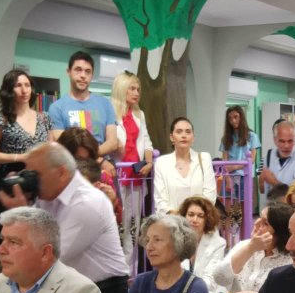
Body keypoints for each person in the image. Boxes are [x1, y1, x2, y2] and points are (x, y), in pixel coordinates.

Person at [0, 143, 129, 293]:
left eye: (35, 175)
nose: (31, 181)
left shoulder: (87, 203)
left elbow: (49, 257)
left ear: (60, 172)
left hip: (104, 291)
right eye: (27, 174)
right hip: (70, 286)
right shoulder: (48, 196)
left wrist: (21, 214)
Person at [0, 69, 52, 243]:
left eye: (27, 85)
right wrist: (19, 157)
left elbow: (51, 147)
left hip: (39, 176)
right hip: (11, 177)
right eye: (18, 85)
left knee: (38, 232)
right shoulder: (0, 119)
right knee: (11, 231)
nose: (24, 90)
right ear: (9, 90)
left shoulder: (44, 118)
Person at [210, 203, 294, 293]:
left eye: (265, 223)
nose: (256, 223)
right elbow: (219, 278)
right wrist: (250, 248)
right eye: (259, 217)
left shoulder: (290, 259)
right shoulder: (245, 245)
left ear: (279, 232)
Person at [111, 71, 154, 267]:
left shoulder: (140, 114)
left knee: (133, 226)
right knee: (118, 224)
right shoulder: (110, 112)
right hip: (118, 176)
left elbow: (146, 141)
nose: (136, 93)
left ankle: (131, 271)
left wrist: (149, 162)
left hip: (136, 176)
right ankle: (118, 269)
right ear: (122, 89)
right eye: (132, 89)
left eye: (138, 89)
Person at [48, 51, 118, 155]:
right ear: (68, 72)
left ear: (92, 75)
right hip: (73, 163)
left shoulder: (105, 104)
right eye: (78, 70)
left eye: (88, 71)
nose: (83, 75)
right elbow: (62, 146)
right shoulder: (56, 108)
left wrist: (93, 157)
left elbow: (112, 143)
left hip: (102, 162)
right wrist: (94, 158)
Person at [153, 117, 217, 214]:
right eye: (179, 132)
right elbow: (160, 201)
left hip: (199, 220)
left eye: (188, 132)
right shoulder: (162, 162)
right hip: (172, 220)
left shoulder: (204, 159)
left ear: (193, 137)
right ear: (171, 137)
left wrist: (192, 216)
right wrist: (179, 217)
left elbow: (210, 196)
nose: (184, 136)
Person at [177, 195, 226, 290]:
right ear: (184, 216)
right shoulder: (175, 241)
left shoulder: (218, 244)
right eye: (191, 215)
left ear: (207, 219)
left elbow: (210, 281)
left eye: (200, 216)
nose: (194, 220)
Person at [260, 119, 295, 196]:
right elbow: (263, 189)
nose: (286, 146)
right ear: (275, 140)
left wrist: (274, 182)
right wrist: (262, 180)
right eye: (282, 141)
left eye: (290, 141)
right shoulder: (269, 155)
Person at [219, 105, 260, 201]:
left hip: (245, 176)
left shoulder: (252, 136)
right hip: (229, 176)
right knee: (226, 207)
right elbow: (224, 161)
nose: (233, 121)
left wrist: (234, 167)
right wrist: (227, 178)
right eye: (230, 118)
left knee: (245, 206)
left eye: (236, 117)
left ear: (241, 117)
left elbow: (252, 160)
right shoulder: (225, 139)